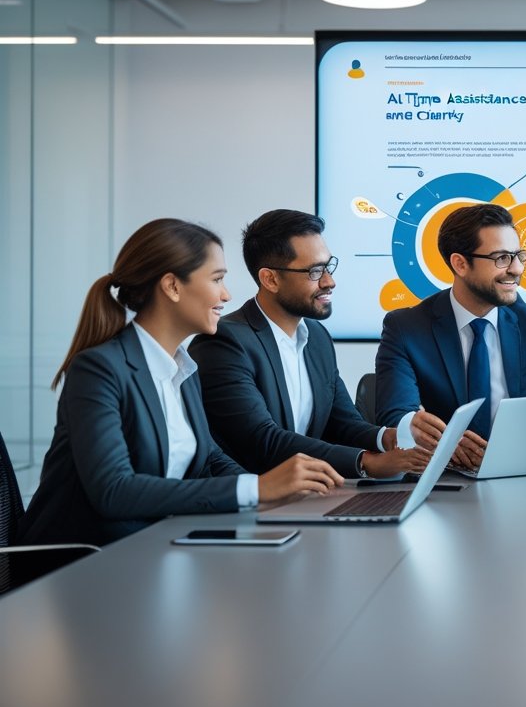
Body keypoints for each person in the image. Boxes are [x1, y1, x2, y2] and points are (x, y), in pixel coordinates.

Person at [17, 219, 342, 547]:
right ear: (172, 286)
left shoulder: (182, 368)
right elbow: (114, 491)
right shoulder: (99, 370)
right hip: (83, 563)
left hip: (155, 547)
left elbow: (210, 460)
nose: (226, 295)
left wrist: (276, 496)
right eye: (217, 279)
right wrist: (256, 490)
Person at [191, 210, 422, 479]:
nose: (329, 281)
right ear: (271, 279)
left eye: (328, 266)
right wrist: (365, 462)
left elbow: (343, 423)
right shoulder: (225, 342)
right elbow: (263, 441)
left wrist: (390, 438)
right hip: (252, 501)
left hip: (310, 495)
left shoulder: (317, 337)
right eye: (315, 271)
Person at [375, 203, 526, 470]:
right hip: (443, 476)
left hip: (519, 469)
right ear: (460, 264)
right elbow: (395, 415)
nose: (517, 269)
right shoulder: (406, 327)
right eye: (502, 258)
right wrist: (440, 438)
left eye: (519, 255)